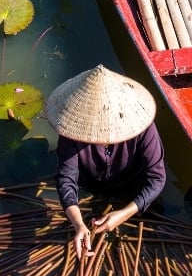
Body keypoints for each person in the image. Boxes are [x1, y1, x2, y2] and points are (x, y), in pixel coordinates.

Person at [45, 65, 167, 259]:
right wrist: (78, 224)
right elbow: (66, 179)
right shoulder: (71, 132)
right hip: (90, 184)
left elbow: (157, 179)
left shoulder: (143, 128)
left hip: (132, 186)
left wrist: (125, 213)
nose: (102, 135)